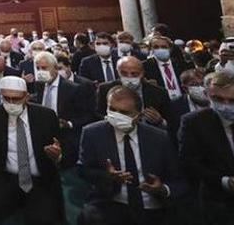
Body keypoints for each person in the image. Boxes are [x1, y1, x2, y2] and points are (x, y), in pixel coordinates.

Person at [78, 85, 187, 225]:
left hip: (152, 206)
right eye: (112, 109)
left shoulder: (159, 138)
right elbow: (83, 170)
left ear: (138, 114)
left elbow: (179, 179)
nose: (116, 115)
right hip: (111, 203)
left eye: (124, 112)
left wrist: (162, 189)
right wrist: (108, 176)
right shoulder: (92, 133)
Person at [0, 76, 65, 225]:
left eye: (16, 99)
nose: (11, 103)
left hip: (38, 178)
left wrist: (57, 156)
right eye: (6, 98)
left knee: (45, 220)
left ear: (26, 97)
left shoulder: (46, 116)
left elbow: (60, 148)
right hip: (5, 175)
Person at [178, 70, 234, 224]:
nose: (226, 105)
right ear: (207, 94)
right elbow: (188, 163)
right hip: (217, 205)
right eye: (218, 99)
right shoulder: (194, 122)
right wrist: (224, 181)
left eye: (232, 100)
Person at [32, 51, 93, 166]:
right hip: (43, 137)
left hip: (66, 139)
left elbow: (87, 116)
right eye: (38, 68)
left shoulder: (73, 89)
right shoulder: (39, 85)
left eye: (44, 68)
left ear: (55, 68)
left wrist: (68, 124)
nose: (40, 72)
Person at [97, 57, 172, 129]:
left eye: (134, 74)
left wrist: (160, 121)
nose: (129, 77)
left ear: (142, 73)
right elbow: (98, 115)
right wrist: (110, 118)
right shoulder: (105, 89)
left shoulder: (159, 93)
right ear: (117, 72)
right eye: (124, 73)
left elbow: (172, 121)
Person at [144, 35, 189, 101]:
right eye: (156, 47)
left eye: (164, 47)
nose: (160, 49)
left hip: (183, 101)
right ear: (151, 49)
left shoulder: (181, 64)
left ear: (170, 49)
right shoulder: (146, 66)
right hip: (163, 103)